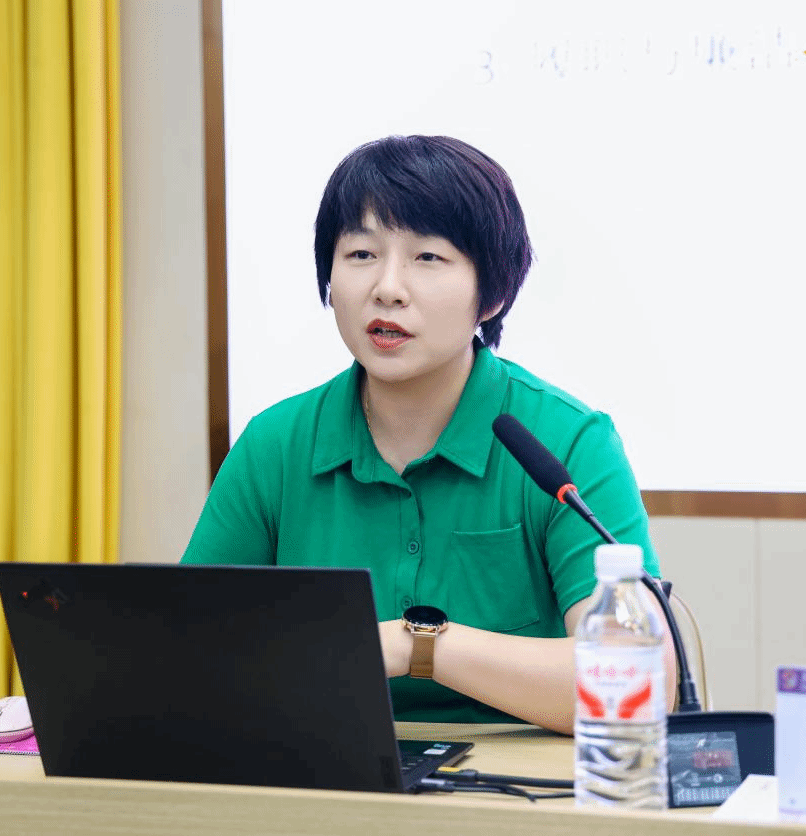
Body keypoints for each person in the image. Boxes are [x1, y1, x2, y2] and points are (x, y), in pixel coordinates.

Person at [181, 135, 674, 734]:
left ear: (492, 294)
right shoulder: (275, 445)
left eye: (428, 257)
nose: (387, 287)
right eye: (361, 253)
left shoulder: (566, 443)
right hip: (322, 764)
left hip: (519, 779)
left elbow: (640, 684)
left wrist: (419, 646)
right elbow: (187, 652)